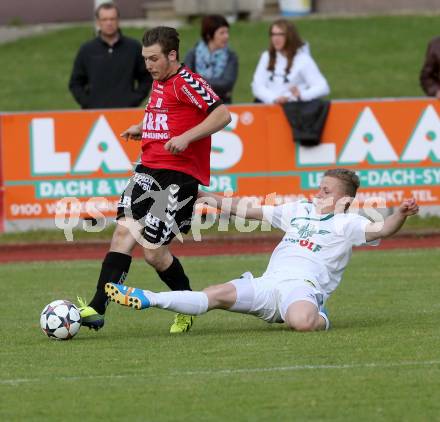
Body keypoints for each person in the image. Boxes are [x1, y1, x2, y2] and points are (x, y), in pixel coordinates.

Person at [103, 168, 419, 332]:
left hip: (302, 288)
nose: (317, 192)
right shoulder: (299, 209)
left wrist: (401, 214)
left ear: (344, 198)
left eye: (326, 189)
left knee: (303, 323)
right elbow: (248, 210)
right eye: (319, 186)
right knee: (214, 295)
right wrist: (202, 195)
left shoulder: (349, 223)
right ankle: (148, 298)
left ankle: (318, 313)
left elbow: (383, 229)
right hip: (267, 284)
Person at [77, 26, 231, 334]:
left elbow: (222, 115)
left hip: (178, 177)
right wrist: (142, 126)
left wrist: (187, 138)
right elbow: (163, 114)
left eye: (154, 59)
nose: (148, 65)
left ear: (172, 56)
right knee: (123, 234)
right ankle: (96, 307)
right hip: (147, 168)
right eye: (145, 59)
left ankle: (187, 305)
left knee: (153, 253)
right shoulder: (159, 81)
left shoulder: (188, 82)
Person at [68, 2, 152, 109]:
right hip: (95, 115)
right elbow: (75, 83)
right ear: (98, 22)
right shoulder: (87, 50)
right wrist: (88, 103)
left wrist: (133, 100)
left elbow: (146, 78)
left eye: (112, 19)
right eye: (104, 19)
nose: (109, 23)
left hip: (125, 113)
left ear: (118, 20)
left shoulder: (133, 47)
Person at [251, 19, 329, 104]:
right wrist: (275, 98)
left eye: (280, 34)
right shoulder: (266, 56)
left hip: (292, 110)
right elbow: (257, 86)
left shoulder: (303, 59)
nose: (276, 38)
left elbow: (323, 87)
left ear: (290, 36)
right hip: (269, 108)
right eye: (273, 34)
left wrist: (301, 95)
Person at [184, 15, 238, 103]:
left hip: (222, 103)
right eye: (222, 33)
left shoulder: (231, 56)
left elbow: (226, 84)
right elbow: (186, 81)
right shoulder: (192, 54)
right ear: (209, 35)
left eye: (227, 32)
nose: (226, 36)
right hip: (196, 103)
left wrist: (198, 82)